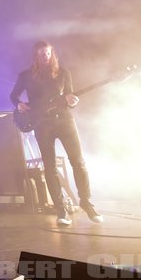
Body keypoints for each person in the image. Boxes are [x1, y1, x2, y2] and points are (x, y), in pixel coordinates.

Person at [10, 41, 103, 226]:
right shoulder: (26, 75)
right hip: (42, 124)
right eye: (41, 54)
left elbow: (69, 96)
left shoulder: (63, 73)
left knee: (78, 162)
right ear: (35, 56)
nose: (45, 57)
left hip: (65, 120)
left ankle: (86, 202)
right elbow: (13, 95)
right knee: (50, 167)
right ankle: (61, 210)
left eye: (48, 54)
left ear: (52, 54)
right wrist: (19, 104)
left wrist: (72, 101)